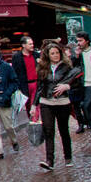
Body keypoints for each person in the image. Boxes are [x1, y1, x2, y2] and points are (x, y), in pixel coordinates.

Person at [36, 41, 82, 170]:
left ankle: (68, 157)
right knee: (48, 131)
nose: (55, 55)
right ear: (48, 55)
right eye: (52, 53)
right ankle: (50, 161)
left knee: (63, 130)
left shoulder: (67, 66)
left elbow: (77, 82)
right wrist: (34, 105)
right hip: (46, 102)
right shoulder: (43, 68)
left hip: (62, 102)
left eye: (57, 53)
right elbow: (40, 87)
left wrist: (67, 86)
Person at [10, 36, 40, 122]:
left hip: (36, 83)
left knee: (35, 104)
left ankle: (35, 122)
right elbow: (14, 72)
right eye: (30, 44)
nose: (32, 45)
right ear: (23, 45)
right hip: (24, 84)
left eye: (32, 43)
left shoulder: (36, 55)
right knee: (28, 105)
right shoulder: (17, 57)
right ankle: (32, 121)